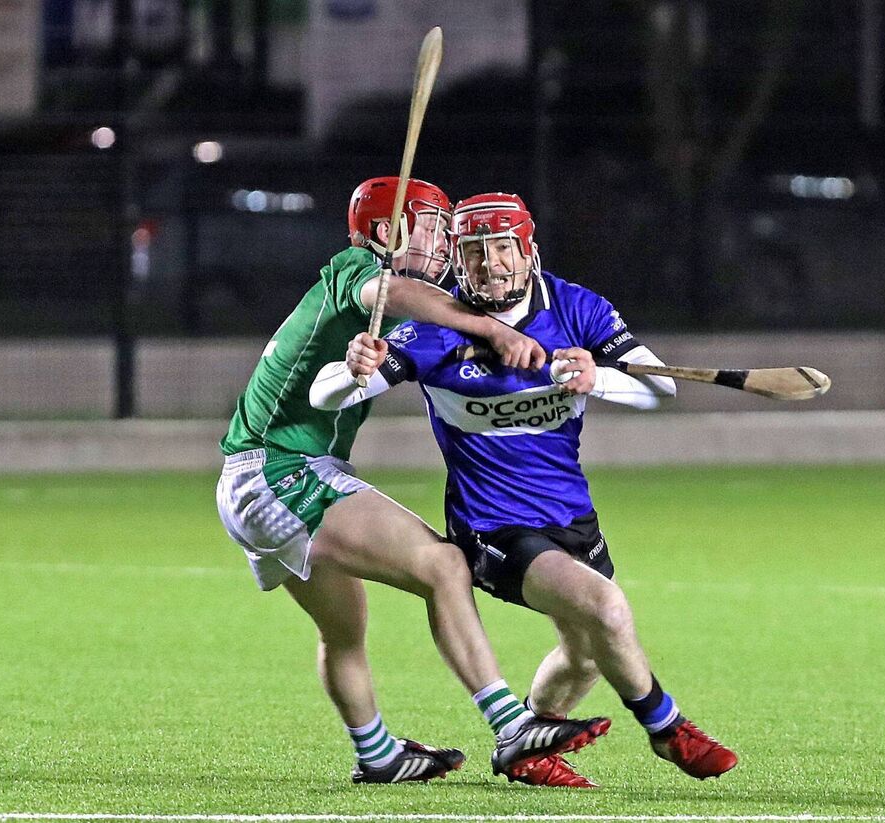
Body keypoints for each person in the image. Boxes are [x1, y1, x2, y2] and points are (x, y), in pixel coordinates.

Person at [311, 192, 738, 788]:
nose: (492, 266)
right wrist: (353, 367)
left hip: (570, 513)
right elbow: (327, 395)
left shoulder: (575, 307)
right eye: (477, 254)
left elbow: (656, 386)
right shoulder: (436, 329)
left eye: (503, 250)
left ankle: (531, 745)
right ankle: (668, 729)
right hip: (493, 526)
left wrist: (599, 378)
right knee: (608, 609)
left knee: (588, 651)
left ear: (528, 250)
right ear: (459, 260)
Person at [215, 178, 610, 786]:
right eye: (432, 225)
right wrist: (493, 329)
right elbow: (394, 289)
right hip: (279, 470)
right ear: (384, 234)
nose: (446, 240)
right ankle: (512, 726)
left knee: (343, 631)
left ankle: (376, 753)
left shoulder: (384, 297)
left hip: (258, 478)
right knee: (445, 566)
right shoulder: (357, 268)